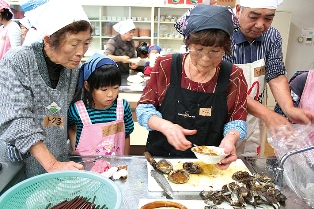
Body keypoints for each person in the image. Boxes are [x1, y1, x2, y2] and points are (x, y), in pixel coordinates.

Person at [136, 4, 248, 169]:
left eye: (215, 51)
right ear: (188, 44)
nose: (205, 58)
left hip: (209, 164)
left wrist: (230, 139)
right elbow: (144, 108)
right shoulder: (166, 65)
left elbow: (236, 120)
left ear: (226, 48)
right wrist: (165, 126)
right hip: (162, 161)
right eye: (199, 49)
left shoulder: (233, 75)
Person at [0, 0, 93, 178]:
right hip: (21, 163)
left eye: (86, 43)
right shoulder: (17, 61)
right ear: (48, 41)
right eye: (74, 44)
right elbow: (17, 120)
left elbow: (70, 113)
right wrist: (52, 164)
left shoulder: (72, 69)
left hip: (58, 158)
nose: (81, 51)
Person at [223, 0, 314, 156]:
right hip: (224, 113)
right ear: (238, 10)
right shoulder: (223, 35)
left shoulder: (272, 36)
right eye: (254, 17)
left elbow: (276, 74)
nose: (260, 25)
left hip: (254, 115)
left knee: (247, 165)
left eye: (268, 18)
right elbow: (226, 86)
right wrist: (268, 114)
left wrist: (289, 109)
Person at [67, 53, 134, 156]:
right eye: (104, 89)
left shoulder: (123, 107)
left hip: (115, 168)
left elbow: (126, 135)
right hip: (86, 168)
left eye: (115, 87)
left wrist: (125, 162)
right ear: (87, 86)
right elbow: (70, 127)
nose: (111, 94)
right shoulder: (77, 110)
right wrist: (74, 147)